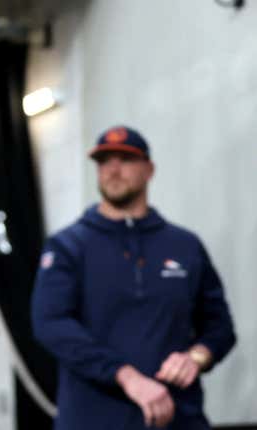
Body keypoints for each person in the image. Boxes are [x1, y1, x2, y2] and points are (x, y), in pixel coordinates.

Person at [31, 126, 236, 429]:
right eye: (104, 161)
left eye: (125, 160)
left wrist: (197, 357)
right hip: (92, 419)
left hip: (178, 418)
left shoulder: (184, 245)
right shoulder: (68, 246)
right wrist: (126, 376)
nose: (113, 170)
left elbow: (220, 326)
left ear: (149, 169)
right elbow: (51, 324)